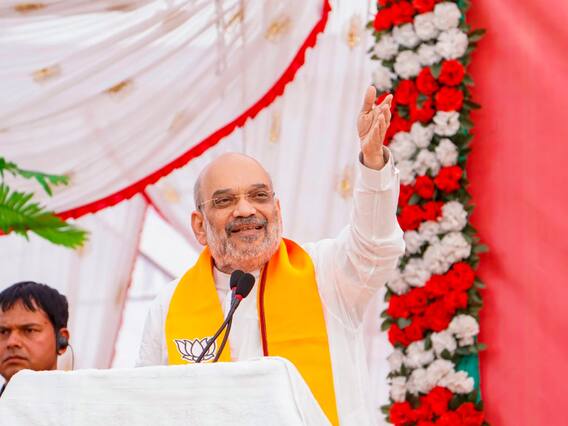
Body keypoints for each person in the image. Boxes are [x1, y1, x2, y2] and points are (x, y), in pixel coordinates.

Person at [136, 86, 404, 425]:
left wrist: (373, 163)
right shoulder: (169, 305)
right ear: (199, 226)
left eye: (259, 196)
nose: (245, 210)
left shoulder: (326, 273)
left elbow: (375, 245)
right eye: (224, 201)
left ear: (277, 210)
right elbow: (144, 403)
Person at [0, 281, 70, 397]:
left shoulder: (88, 405)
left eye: (29, 330)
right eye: (3, 332)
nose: (12, 342)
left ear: (62, 340)